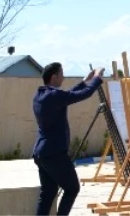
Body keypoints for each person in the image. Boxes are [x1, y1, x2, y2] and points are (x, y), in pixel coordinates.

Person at [33, 63, 104, 216]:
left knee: (48, 193)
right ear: (54, 77)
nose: (63, 77)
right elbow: (82, 95)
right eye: (61, 74)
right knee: (72, 188)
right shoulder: (54, 96)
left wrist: (85, 81)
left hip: (41, 153)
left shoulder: (41, 95)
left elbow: (67, 95)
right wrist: (97, 78)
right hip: (54, 153)